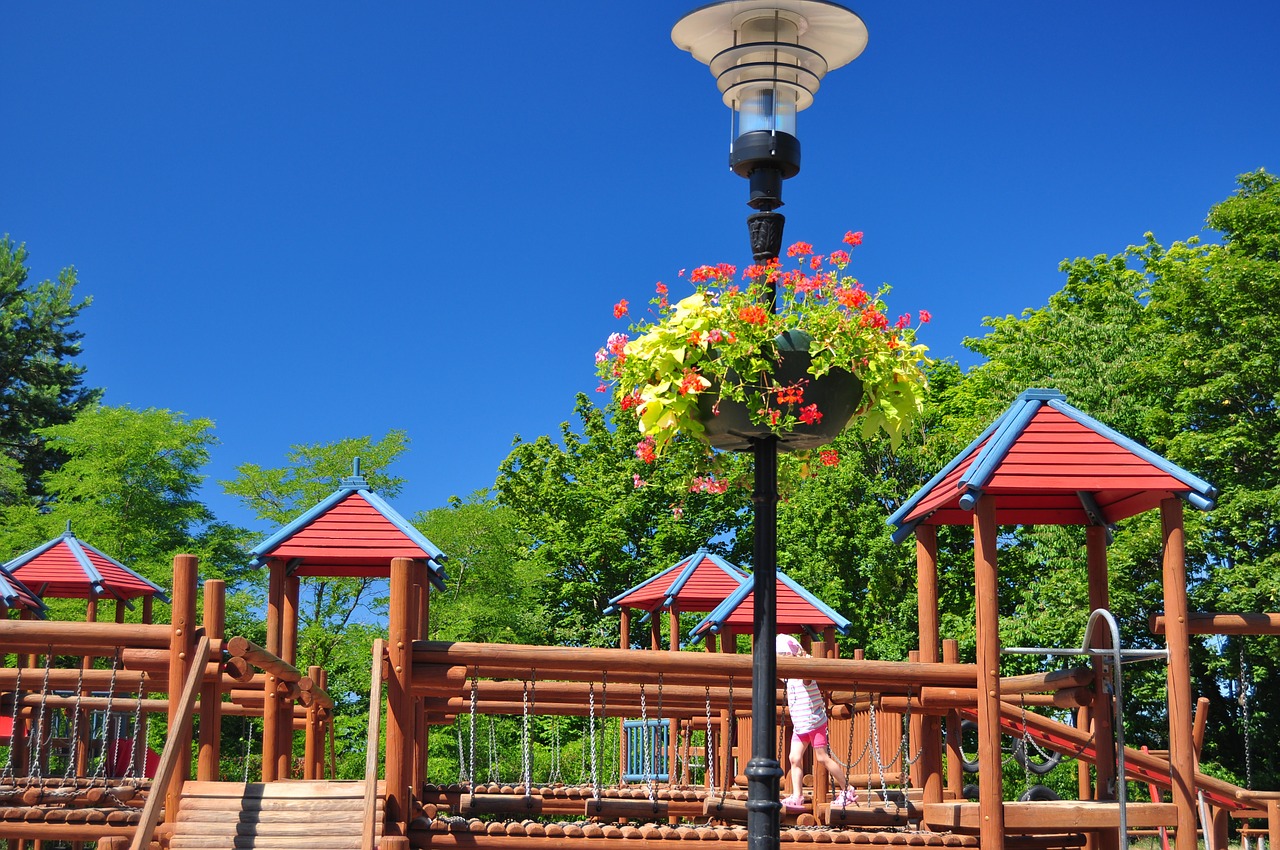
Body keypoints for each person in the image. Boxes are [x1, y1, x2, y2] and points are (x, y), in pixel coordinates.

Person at [776, 634, 856, 811]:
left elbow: (806, 675)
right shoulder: (788, 678)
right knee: (794, 758)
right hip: (800, 725)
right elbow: (777, 671)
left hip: (814, 722)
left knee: (822, 757)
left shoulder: (805, 675)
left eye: (783, 657)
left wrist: (804, 659)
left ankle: (848, 789)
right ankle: (797, 796)